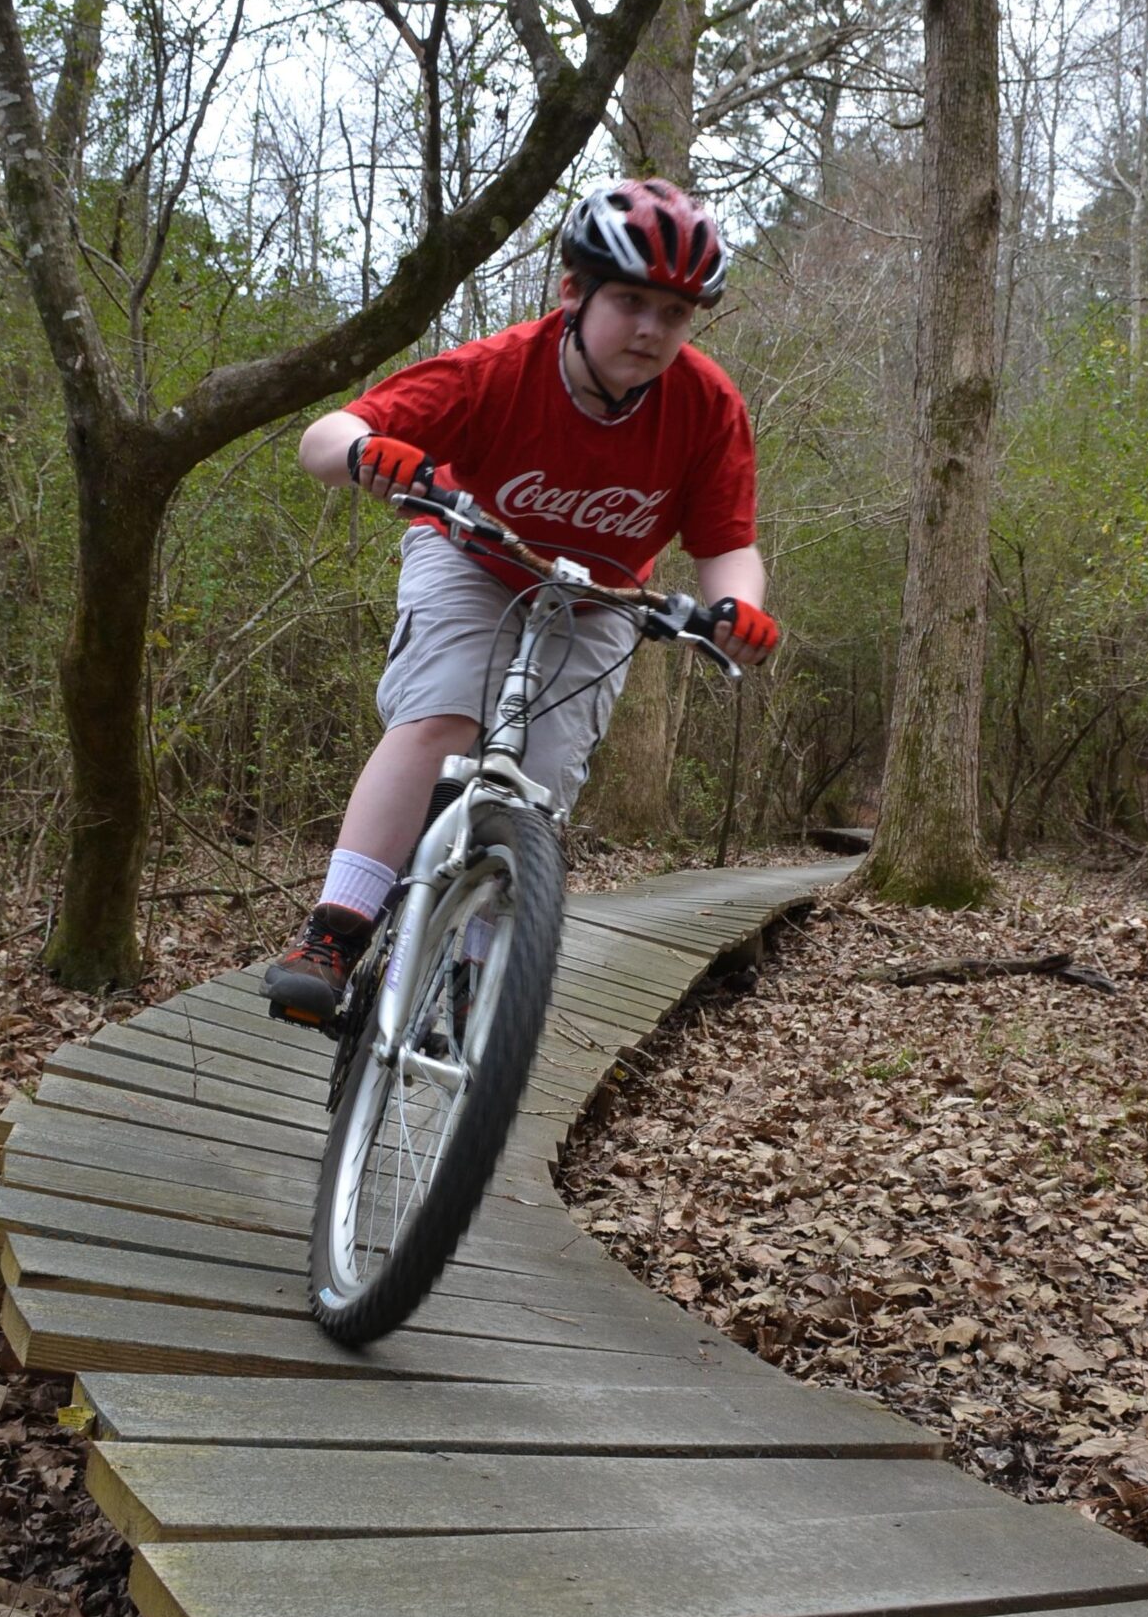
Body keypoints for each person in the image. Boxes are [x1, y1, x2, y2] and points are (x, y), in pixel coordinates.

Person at [264, 177, 779, 1022]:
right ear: (573, 292)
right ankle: (337, 928)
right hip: (473, 560)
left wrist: (737, 611)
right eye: (631, 301)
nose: (652, 330)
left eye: (676, 314)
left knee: (538, 785)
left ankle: (472, 980)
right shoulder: (499, 369)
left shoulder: (707, 406)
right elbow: (326, 437)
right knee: (442, 719)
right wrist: (371, 455)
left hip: (600, 599)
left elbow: (725, 544)